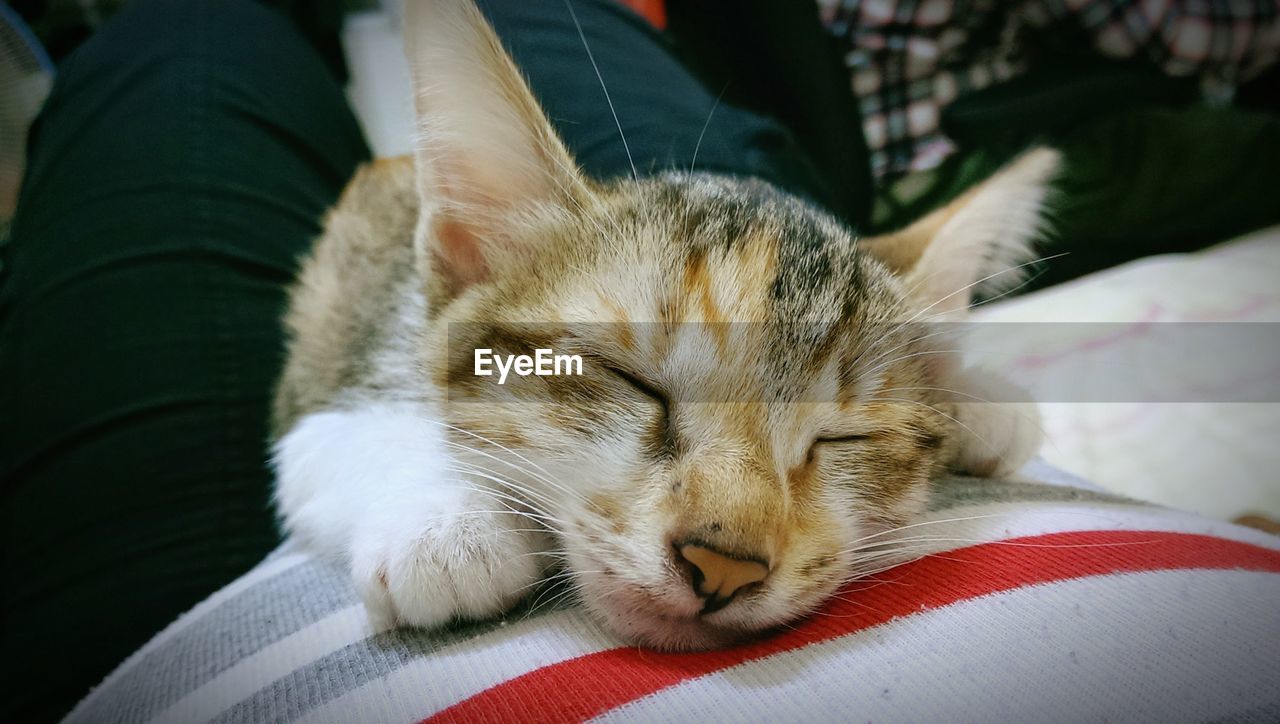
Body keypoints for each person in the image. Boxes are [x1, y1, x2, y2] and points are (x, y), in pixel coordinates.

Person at [0, 1, 858, 720]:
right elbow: (505, 377)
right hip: (500, 312)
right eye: (638, 385)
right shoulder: (532, 359)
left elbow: (313, 430)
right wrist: (450, 483)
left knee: (187, 34)